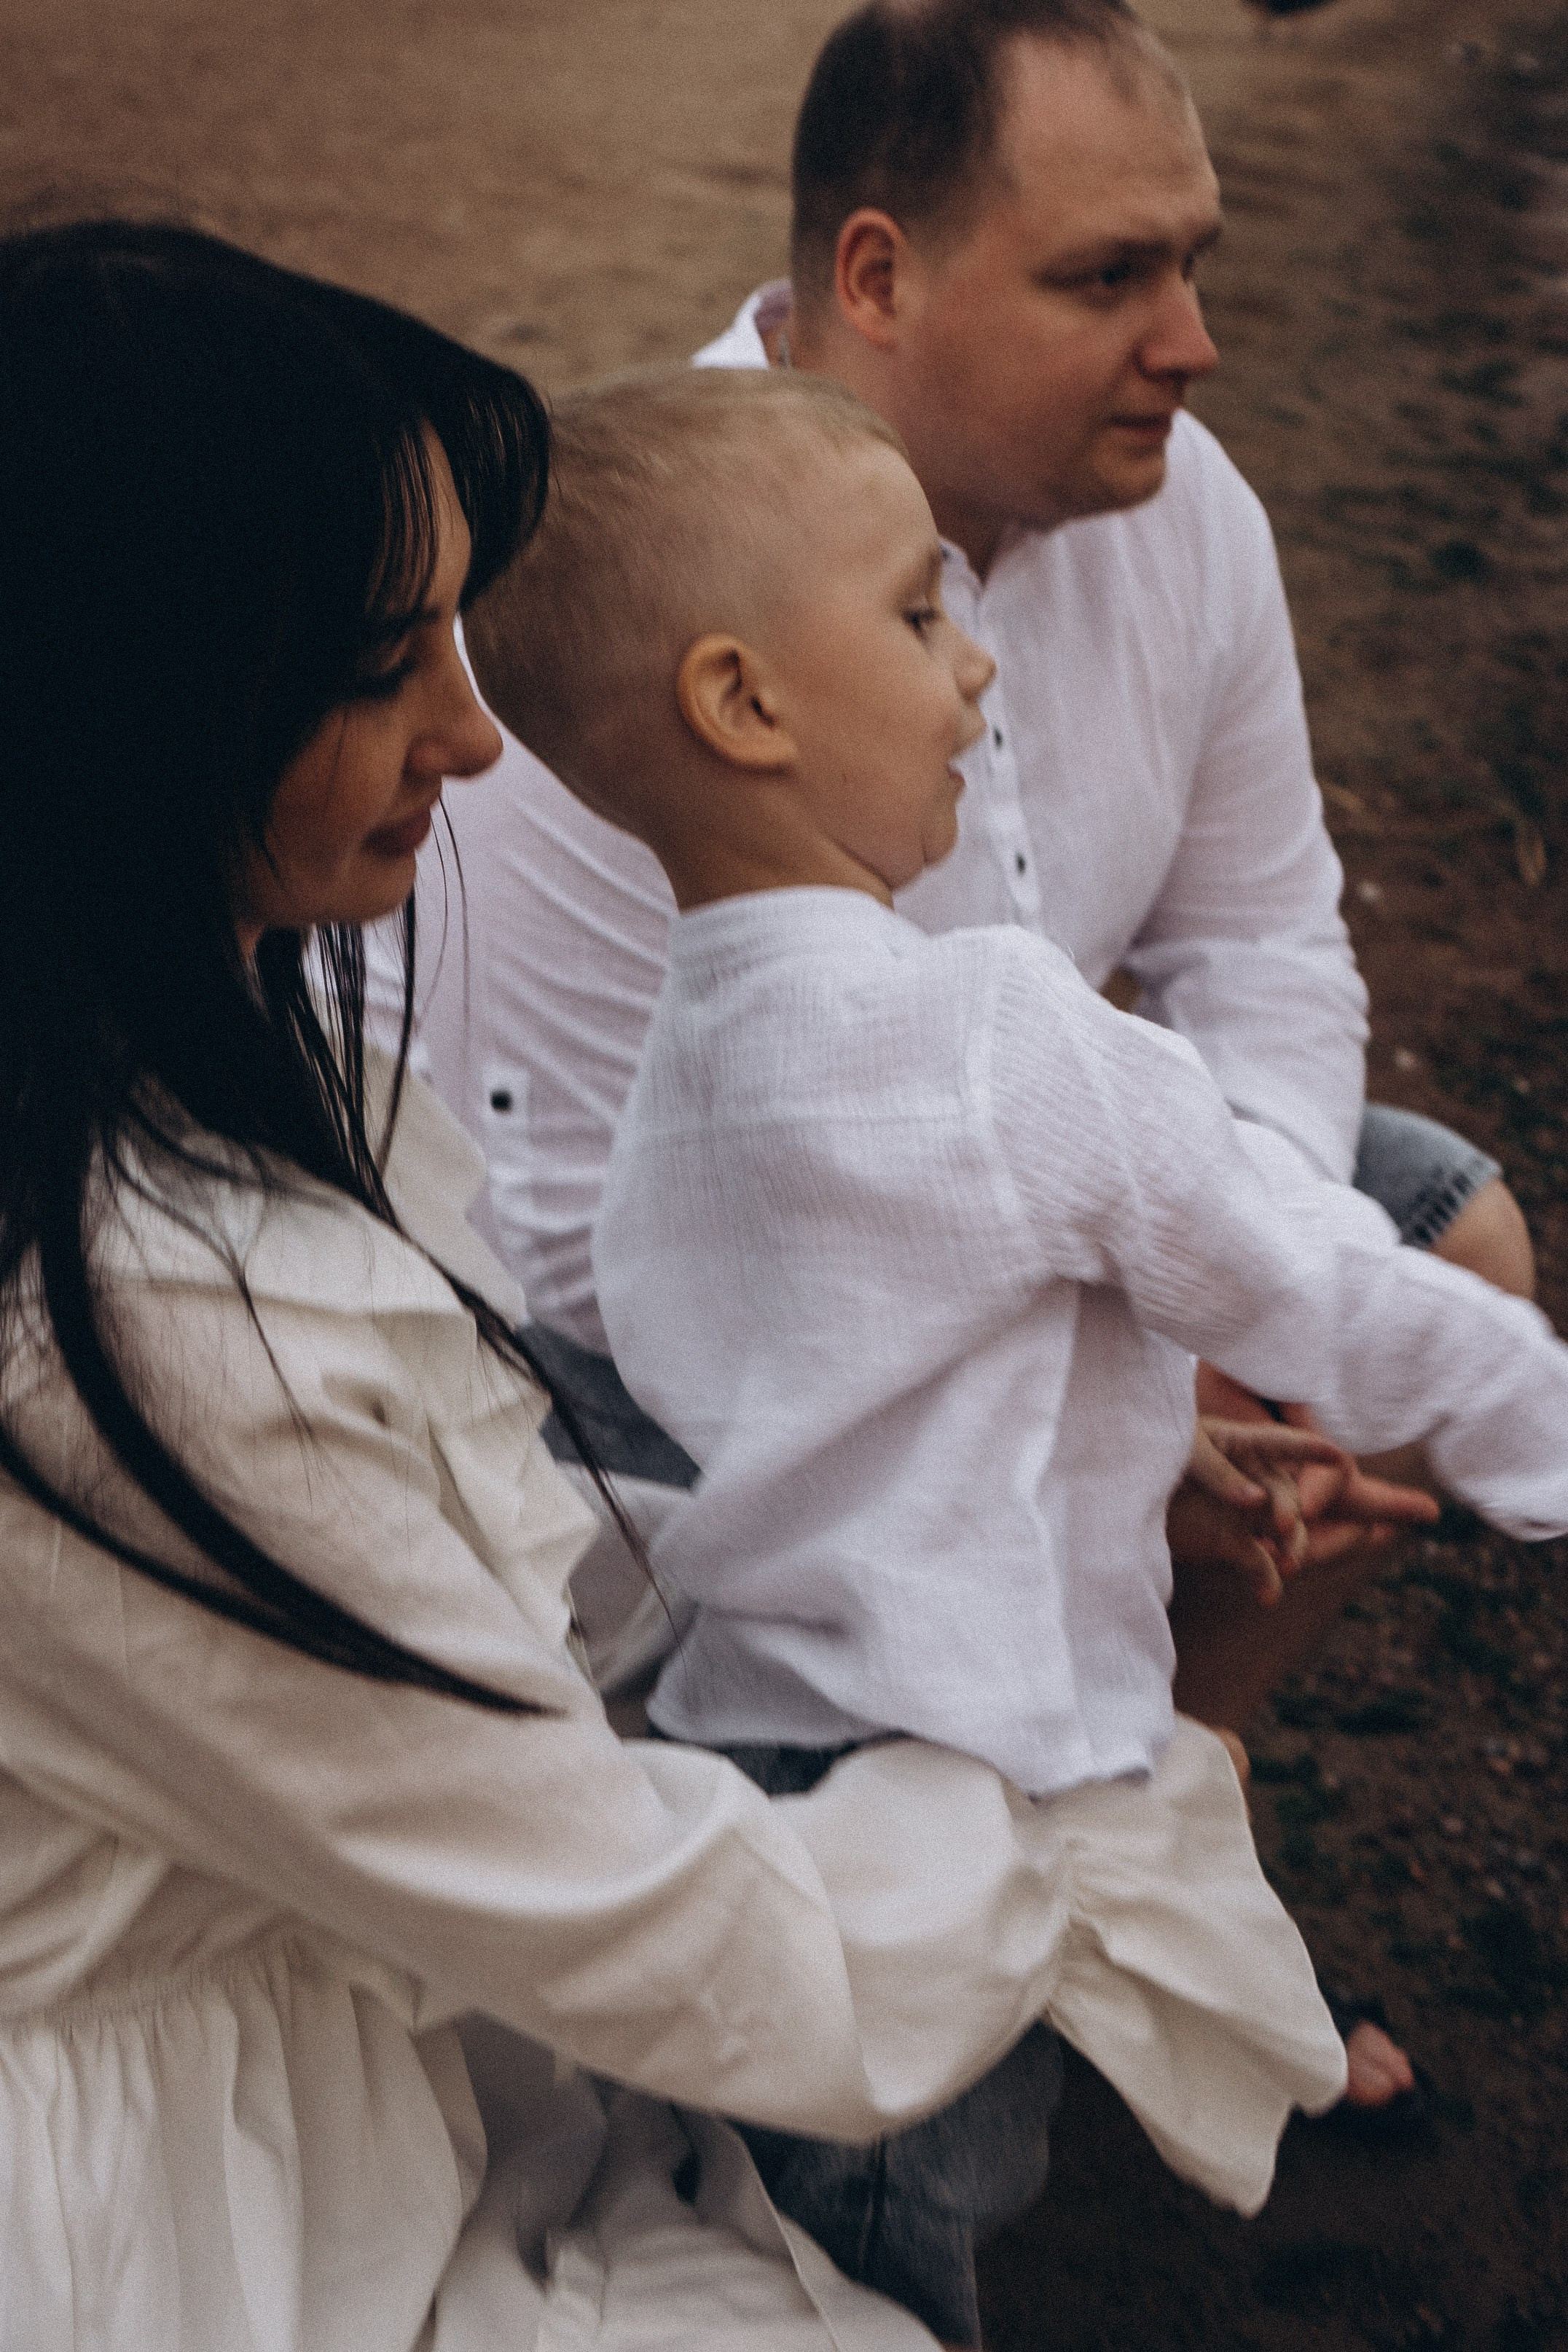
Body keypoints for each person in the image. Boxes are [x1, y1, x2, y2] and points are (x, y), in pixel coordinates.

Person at [0, 218, 1298, 2352]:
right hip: (185, 2208)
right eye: (381, 664)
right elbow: (652, 1918)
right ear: (134, 711)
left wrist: (1011, 1478)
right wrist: (1065, 1819)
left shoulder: (185, 1071)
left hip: (371, 2020)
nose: (477, 734)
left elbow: (482, 1574)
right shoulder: (136, 1340)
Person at [368, 0, 1506, 2109]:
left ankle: (1138, 1867)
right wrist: (1104, 1406)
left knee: (1448, 1237)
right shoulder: (643, 606)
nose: (1193, 343)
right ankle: (912, 1935)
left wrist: (1216, 1292)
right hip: (651, 1352)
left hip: (1034, 1188)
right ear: (878, 278)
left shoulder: (1191, 513)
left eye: (1195, 263)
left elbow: (1263, 944)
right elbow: (598, 1259)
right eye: (1110, 277)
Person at [463, 361, 1568, 2348]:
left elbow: (833, 1380)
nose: (976, 664)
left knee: (786, 2180)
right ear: (744, 703)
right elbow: (1312, 1277)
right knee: (889, 2258)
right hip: (958, 1791)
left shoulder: (677, 1072)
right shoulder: (995, 1027)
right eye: (918, 614)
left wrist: (1134, 1443)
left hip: (758, 1752)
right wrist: (1535, 1422)